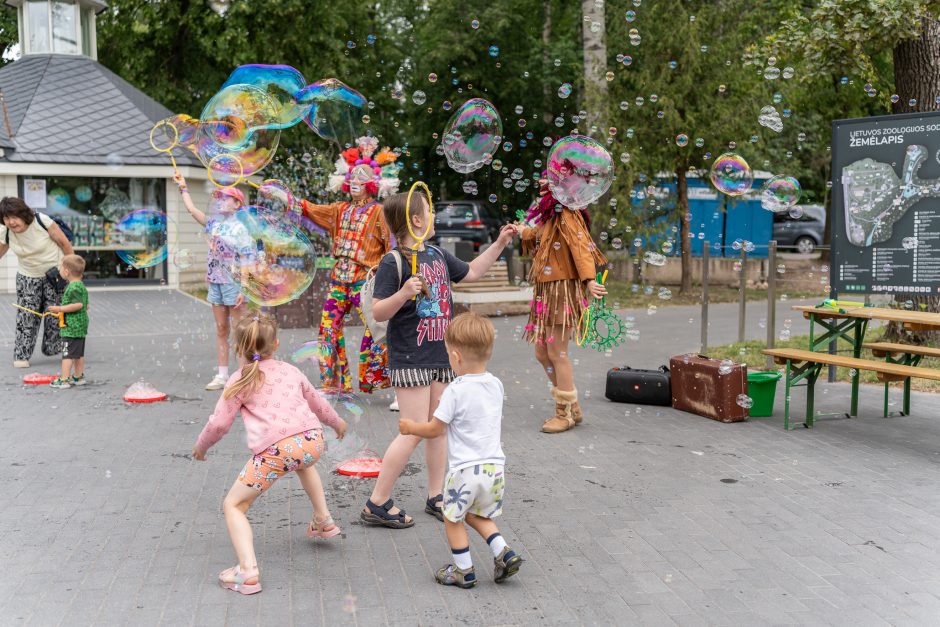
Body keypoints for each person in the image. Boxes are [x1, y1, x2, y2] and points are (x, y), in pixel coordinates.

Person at [359, 189, 518, 528]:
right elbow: (378, 310)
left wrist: (501, 241)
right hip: (410, 358)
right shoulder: (394, 261)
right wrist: (404, 292)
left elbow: (473, 272)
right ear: (416, 220)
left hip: (441, 358)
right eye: (429, 211)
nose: (433, 215)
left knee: (438, 430)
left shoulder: (437, 255)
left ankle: (436, 495)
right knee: (413, 432)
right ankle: (377, 501)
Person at [191, 315, 348, 595]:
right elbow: (318, 402)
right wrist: (337, 423)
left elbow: (218, 424)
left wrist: (201, 447)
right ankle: (324, 520)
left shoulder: (239, 380)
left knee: (234, 506)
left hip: (276, 451)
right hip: (312, 441)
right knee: (301, 462)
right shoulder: (290, 370)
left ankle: (247, 572)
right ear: (275, 344)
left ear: (238, 348)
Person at [399, 313, 523, 587]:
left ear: (455, 357)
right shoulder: (495, 384)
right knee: (477, 513)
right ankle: (504, 551)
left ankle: (463, 570)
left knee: (452, 517)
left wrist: (410, 427)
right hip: (494, 469)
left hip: (465, 471)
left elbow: (435, 429)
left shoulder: (454, 390)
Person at [299, 136, 401, 397]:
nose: (355, 182)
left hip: (364, 282)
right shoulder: (338, 209)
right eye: (352, 178)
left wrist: (388, 273)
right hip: (338, 281)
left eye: (362, 178)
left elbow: (391, 245)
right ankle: (334, 385)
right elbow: (312, 209)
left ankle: (373, 380)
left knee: (376, 329)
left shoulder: (379, 212)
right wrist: (294, 202)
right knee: (327, 329)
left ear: (372, 184)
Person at [517, 178, 607, 433]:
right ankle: (573, 405)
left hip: (562, 289)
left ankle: (564, 414)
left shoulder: (568, 213)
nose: (540, 180)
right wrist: (521, 230)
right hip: (546, 289)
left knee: (557, 353)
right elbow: (535, 235)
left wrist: (589, 280)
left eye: (548, 176)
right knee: (541, 353)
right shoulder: (551, 216)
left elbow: (581, 248)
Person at [173, 173, 249, 391]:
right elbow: (192, 210)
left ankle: (243, 376)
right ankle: (223, 375)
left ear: (237, 204)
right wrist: (184, 188)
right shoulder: (214, 225)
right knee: (221, 329)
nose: (221, 201)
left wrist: (244, 287)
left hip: (232, 284)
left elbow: (246, 259)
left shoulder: (240, 229)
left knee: (239, 331)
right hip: (215, 282)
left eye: (226, 198)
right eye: (219, 198)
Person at [0, 196, 74, 368]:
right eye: (6, 218)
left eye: (14, 217)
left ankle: (52, 348)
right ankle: (21, 355)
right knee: (27, 316)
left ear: (23, 214)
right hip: (27, 277)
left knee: (55, 315)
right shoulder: (6, 231)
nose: (11, 222)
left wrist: (72, 273)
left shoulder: (42, 221)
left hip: (55, 275)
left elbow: (65, 245)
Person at [48, 254, 88, 389]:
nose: (59, 270)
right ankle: (78, 376)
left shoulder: (73, 287)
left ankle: (64, 380)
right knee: (78, 354)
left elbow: (79, 305)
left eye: (61, 267)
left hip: (71, 327)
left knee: (67, 354)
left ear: (66, 271)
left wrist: (60, 308)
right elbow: (86, 305)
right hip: (79, 326)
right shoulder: (80, 285)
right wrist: (62, 312)